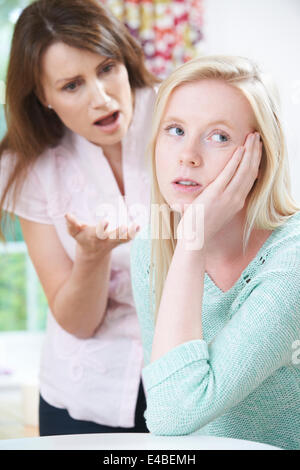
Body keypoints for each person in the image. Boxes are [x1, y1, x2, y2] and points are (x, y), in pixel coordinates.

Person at [0, 0, 161, 436]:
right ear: (44, 97)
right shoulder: (31, 166)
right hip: (84, 398)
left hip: (191, 387)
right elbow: (77, 323)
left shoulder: (180, 119)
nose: (102, 98)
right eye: (72, 85)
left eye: (107, 68)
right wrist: (92, 257)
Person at [130, 55, 300, 450]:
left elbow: (175, 412)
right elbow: (169, 419)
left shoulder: (292, 259)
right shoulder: (151, 247)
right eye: (175, 130)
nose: (187, 155)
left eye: (218, 136)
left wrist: (192, 242)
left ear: (259, 159)